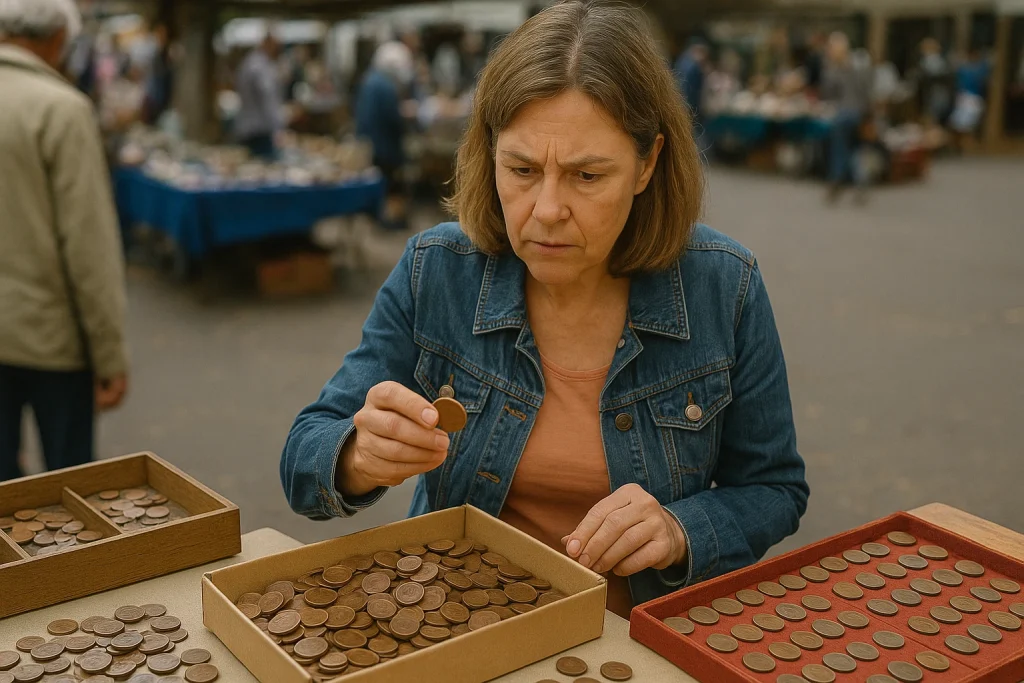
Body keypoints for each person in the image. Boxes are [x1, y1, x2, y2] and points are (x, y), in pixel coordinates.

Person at [281, 0, 808, 616]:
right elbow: (303, 458)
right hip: (457, 622)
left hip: (639, 635)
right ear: (490, 153)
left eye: (587, 176)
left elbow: (775, 487)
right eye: (523, 169)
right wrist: (354, 457)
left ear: (647, 164)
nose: (548, 209)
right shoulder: (437, 270)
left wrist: (681, 529)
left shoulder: (725, 285)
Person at [0, 0, 129, 481]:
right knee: (68, 492)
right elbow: (88, 247)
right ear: (57, 39)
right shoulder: (61, 109)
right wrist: (110, 356)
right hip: (51, 339)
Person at [355, 41, 414, 231]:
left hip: (369, 141)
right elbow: (393, 118)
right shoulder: (385, 86)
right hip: (385, 144)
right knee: (388, 183)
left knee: (377, 181)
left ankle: (376, 216)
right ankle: (388, 220)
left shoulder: (369, 80)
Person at [820, 32, 871, 203]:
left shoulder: (836, 69)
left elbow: (829, 91)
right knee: (854, 150)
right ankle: (859, 184)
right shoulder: (859, 65)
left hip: (843, 113)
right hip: (858, 112)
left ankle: (836, 182)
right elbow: (866, 91)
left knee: (840, 150)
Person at [235, 31, 284, 158]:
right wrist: (278, 126)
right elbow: (266, 96)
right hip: (259, 128)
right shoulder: (258, 65)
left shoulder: (252, 61)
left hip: (252, 125)